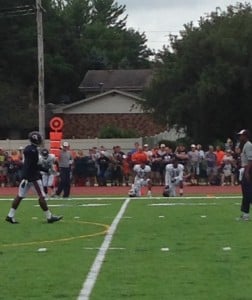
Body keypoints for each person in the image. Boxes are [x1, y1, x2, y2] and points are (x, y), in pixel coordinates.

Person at [5, 131, 63, 224]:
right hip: (32, 177)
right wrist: (47, 170)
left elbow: (29, 164)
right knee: (42, 196)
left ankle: (10, 215)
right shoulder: (33, 150)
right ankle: (49, 217)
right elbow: (34, 166)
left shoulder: (28, 148)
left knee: (19, 196)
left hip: (26, 176)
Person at [236, 129, 252, 221]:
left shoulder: (248, 145)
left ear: (245, 136)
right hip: (245, 169)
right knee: (247, 192)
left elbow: (250, 159)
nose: (240, 137)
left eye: (241, 135)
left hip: (248, 170)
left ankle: (245, 214)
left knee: (247, 192)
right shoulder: (245, 145)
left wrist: (247, 172)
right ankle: (245, 213)